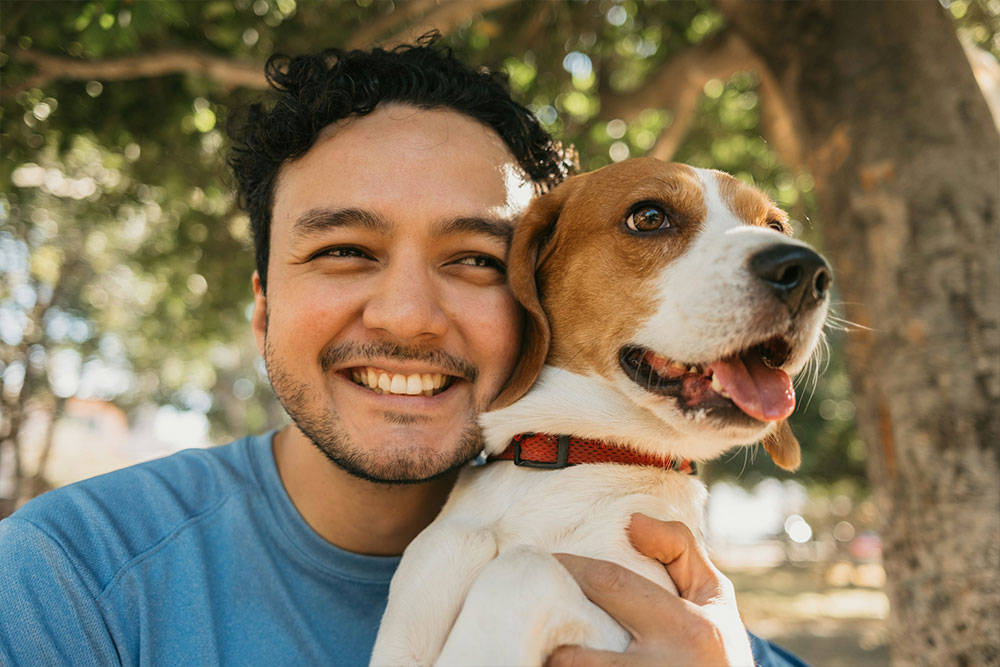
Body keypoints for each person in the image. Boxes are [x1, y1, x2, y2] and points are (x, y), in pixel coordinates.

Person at [0, 35, 806, 666]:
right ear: (262, 307)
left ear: (530, 291)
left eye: (474, 259)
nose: (410, 317)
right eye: (344, 249)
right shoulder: (70, 581)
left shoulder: (703, 630)